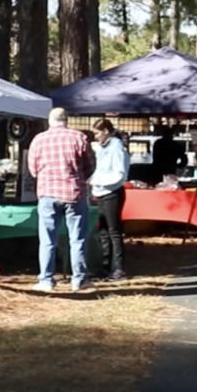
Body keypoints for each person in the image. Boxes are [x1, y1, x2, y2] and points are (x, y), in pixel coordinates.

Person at [27, 108, 96, 292]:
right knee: (77, 239)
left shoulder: (38, 139)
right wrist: (79, 176)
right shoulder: (79, 137)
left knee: (48, 239)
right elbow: (90, 165)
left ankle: (46, 280)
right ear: (66, 120)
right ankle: (79, 280)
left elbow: (33, 170)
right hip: (74, 192)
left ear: (50, 121)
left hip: (47, 192)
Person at [90, 119, 130, 281]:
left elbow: (120, 174)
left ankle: (119, 268)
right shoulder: (102, 148)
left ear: (106, 131)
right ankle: (106, 266)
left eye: (97, 133)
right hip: (100, 192)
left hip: (112, 192)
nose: (96, 136)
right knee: (103, 231)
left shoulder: (117, 148)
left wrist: (98, 181)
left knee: (114, 231)